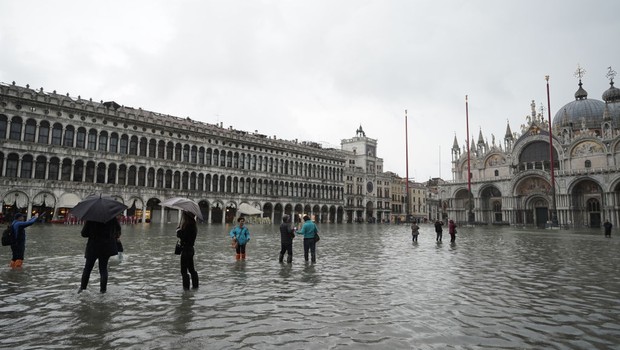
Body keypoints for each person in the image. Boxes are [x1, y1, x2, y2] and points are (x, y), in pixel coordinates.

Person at [78, 218, 121, 293]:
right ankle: (103, 291)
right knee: (103, 269)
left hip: (93, 247)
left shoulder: (92, 218)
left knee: (87, 268)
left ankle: (82, 289)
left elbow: (83, 234)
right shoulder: (112, 218)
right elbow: (118, 231)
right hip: (107, 247)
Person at [177, 211, 199, 290]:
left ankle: (186, 289)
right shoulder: (193, 225)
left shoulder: (188, 226)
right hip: (191, 249)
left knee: (184, 271)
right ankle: (195, 287)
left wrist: (179, 232)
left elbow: (184, 238)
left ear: (187, 217)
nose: (182, 218)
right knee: (192, 269)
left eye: (184, 216)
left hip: (186, 250)